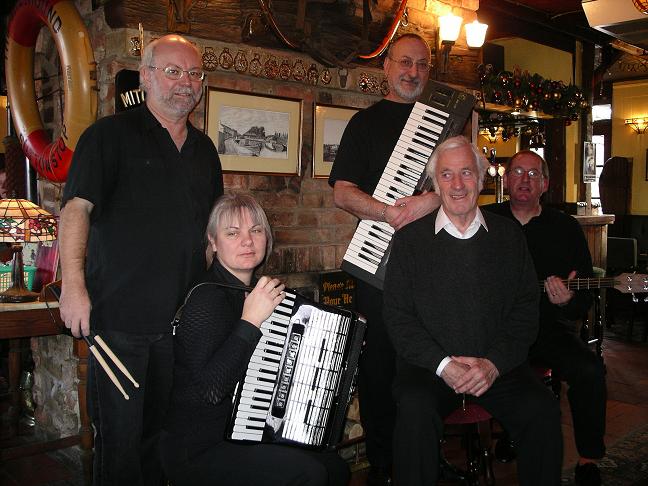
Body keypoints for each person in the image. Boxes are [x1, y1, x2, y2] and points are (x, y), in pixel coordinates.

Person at [59, 34, 224, 485]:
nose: (184, 83)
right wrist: (72, 288)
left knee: (160, 443)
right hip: (120, 326)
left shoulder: (205, 151)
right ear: (146, 76)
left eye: (193, 74)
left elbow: (211, 235)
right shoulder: (107, 136)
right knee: (121, 448)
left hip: (181, 327)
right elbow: (76, 210)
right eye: (173, 71)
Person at [383, 136, 563, 486]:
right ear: (436, 184)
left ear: (482, 179)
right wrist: (444, 365)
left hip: (497, 367)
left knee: (543, 411)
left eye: (467, 172)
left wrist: (493, 364)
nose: (458, 184)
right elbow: (398, 317)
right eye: (447, 175)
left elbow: (526, 310)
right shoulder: (410, 241)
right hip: (430, 369)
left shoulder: (509, 237)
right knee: (413, 412)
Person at [160, 194, 350, 486]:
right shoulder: (207, 298)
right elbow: (210, 392)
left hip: (247, 430)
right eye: (232, 233)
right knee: (309, 473)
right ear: (213, 242)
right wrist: (250, 322)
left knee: (335, 467)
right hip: (199, 448)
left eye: (256, 230)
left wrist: (339, 351)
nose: (247, 241)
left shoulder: (250, 292)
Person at [328, 33, 441, 485]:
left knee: (426, 364)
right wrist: (389, 212)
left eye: (421, 64)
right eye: (404, 63)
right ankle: (381, 465)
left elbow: (464, 184)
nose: (412, 71)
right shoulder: (365, 124)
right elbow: (341, 191)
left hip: (435, 269)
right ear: (386, 68)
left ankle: (423, 460)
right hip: (375, 265)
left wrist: (429, 200)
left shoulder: (445, 123)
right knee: (377, 371)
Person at [484, 150, 607, 486]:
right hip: (497, 334)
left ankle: (588, 458)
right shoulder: (484, 220)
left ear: (546, 184)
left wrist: (567, 300)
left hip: (547, 330)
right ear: (506, 180)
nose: (524, 179)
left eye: (533, 174)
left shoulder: (565, 227)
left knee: (590, 369)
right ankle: (514, 431)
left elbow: (584, 297)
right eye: (518, 172)